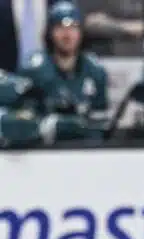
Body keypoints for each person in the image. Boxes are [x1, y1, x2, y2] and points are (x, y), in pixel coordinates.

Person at [18, 1, 110, 142]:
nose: (67, 34)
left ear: (81, 32)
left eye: (73, 27)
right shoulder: (33, 69)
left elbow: (100, 124)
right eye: (60, 28)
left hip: (84, 148)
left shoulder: (95, 71)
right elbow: (23, 122)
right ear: (50, 32)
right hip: (42, 148)